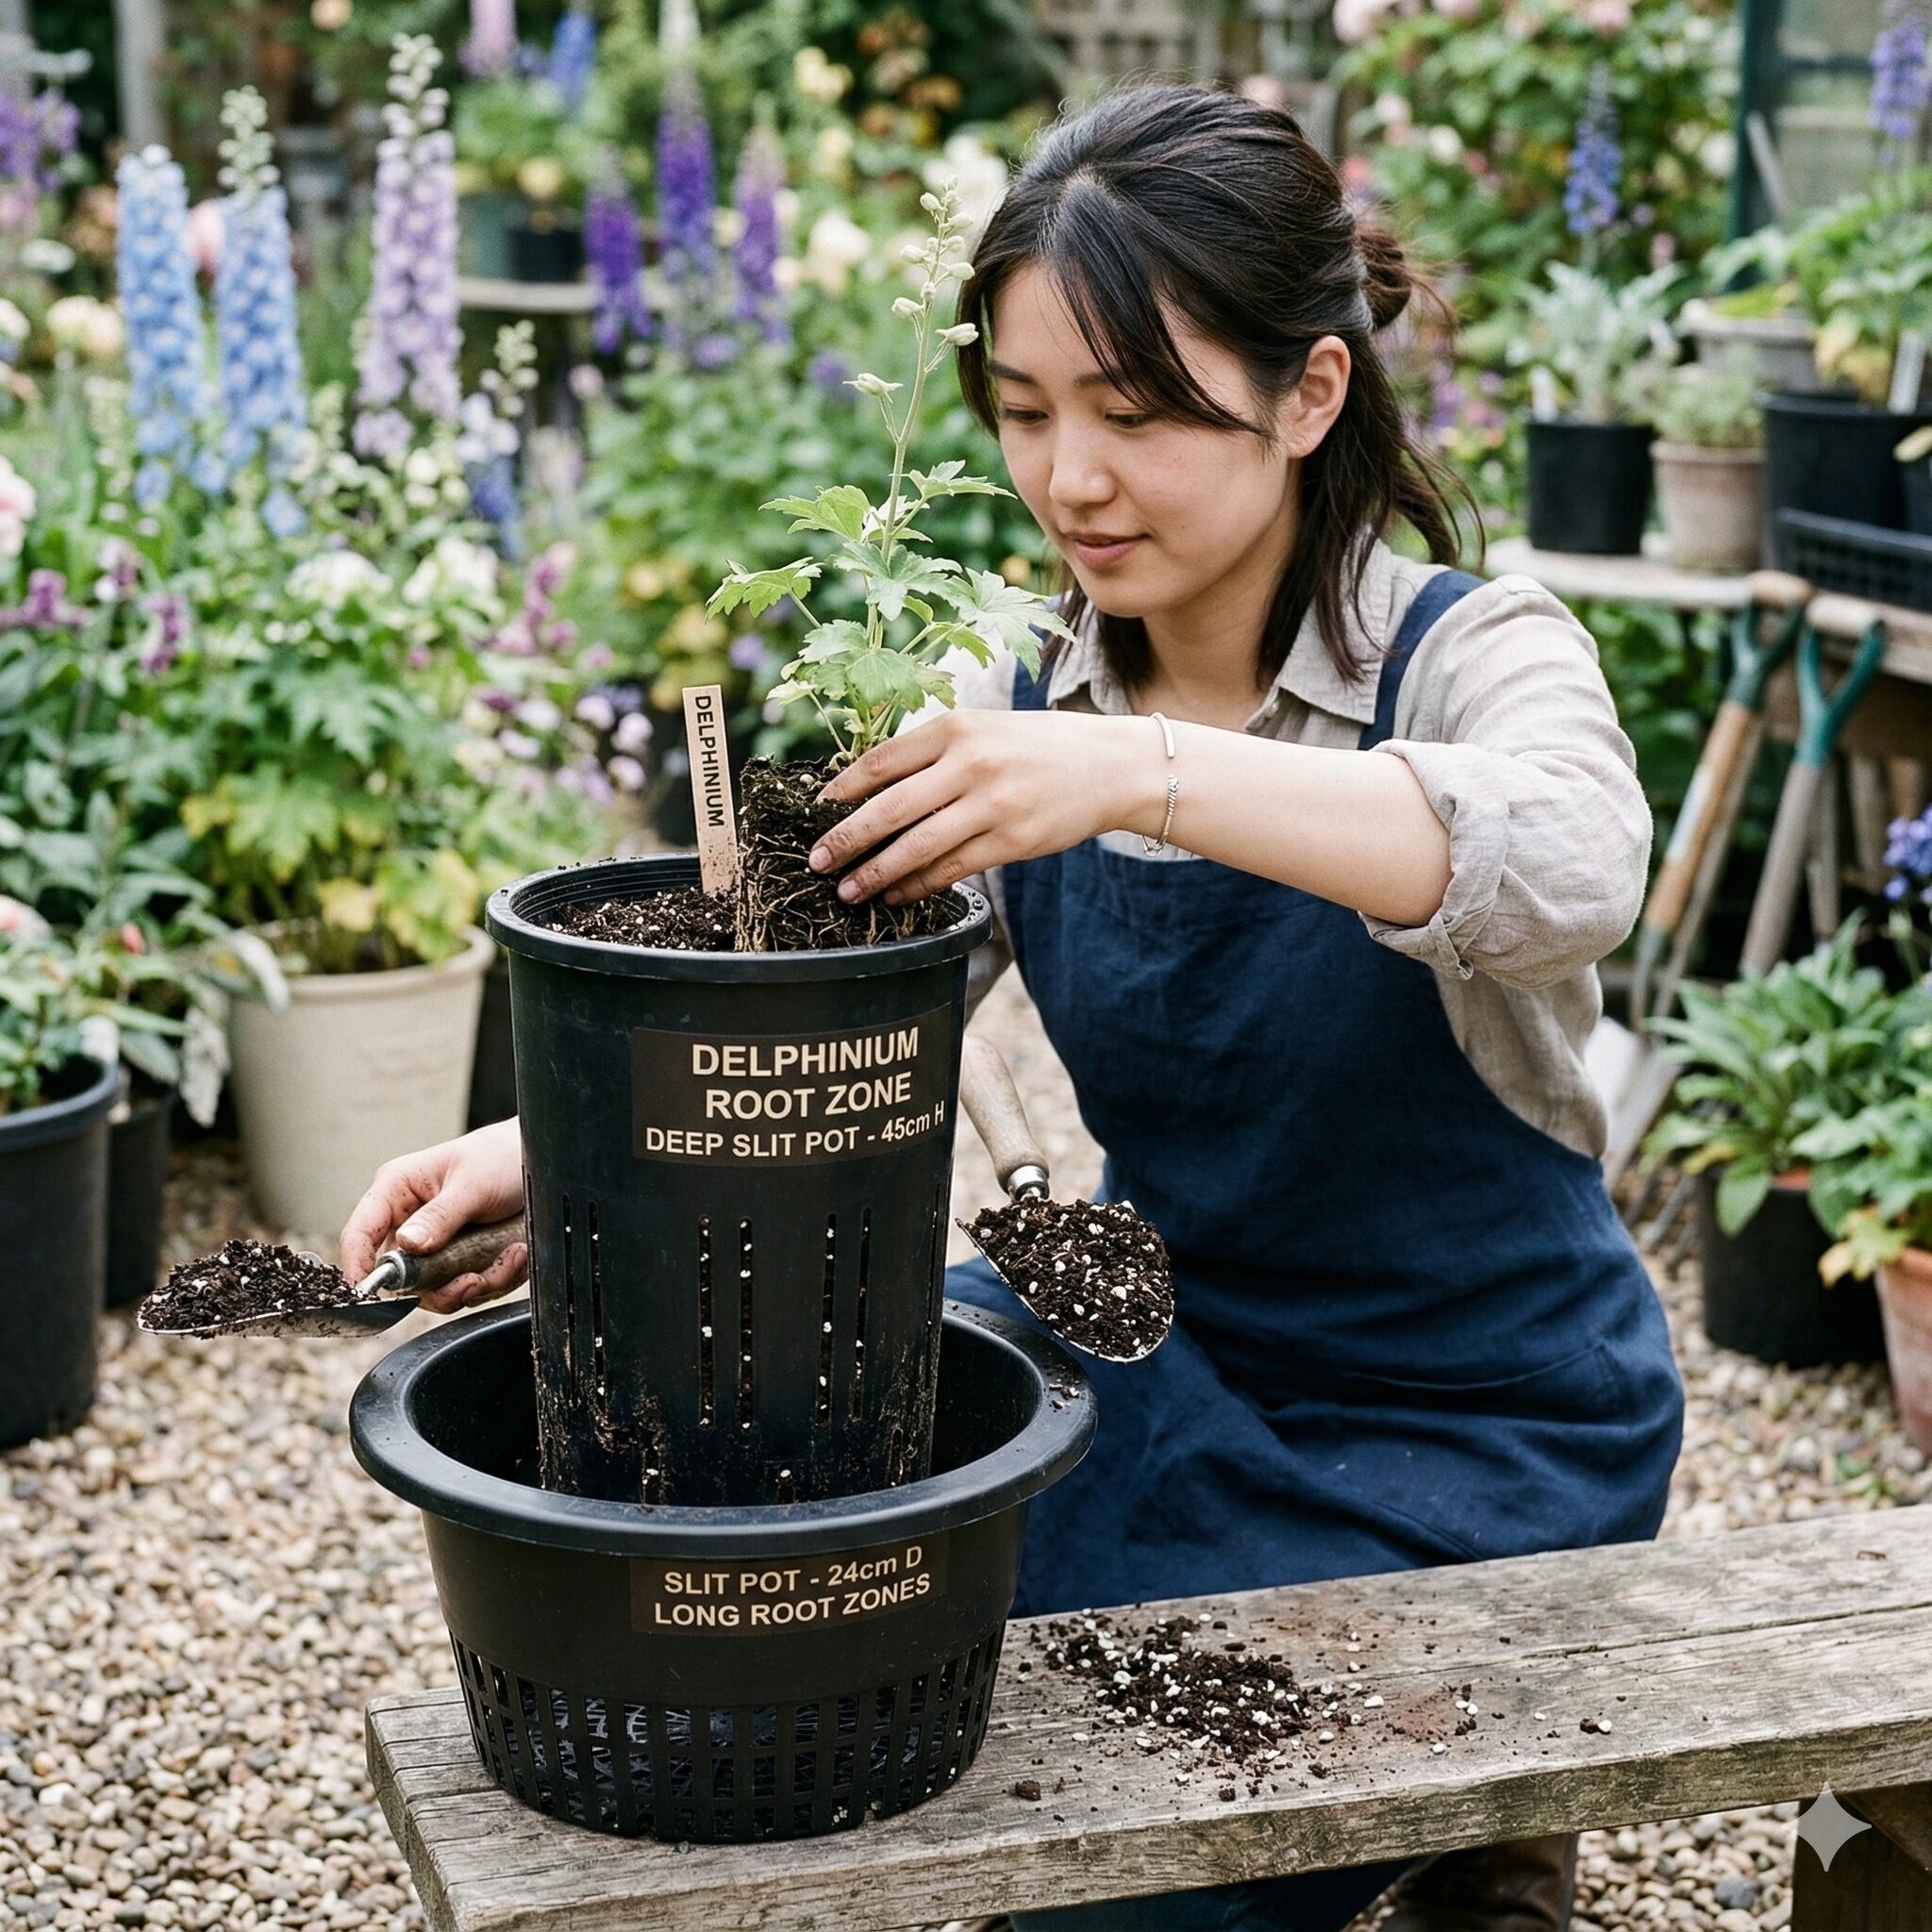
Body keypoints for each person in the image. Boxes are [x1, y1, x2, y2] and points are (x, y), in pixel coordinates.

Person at [342, 84, 1683, 1932]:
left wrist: (1133, 772)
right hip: (1159, 1343)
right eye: (1027, 407)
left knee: (1128, 1875)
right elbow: (819, 978)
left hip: (1469, 1425)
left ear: (1306, 397)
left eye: (1137, 414)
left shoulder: (1466, 655)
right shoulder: (1012, 671)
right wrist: (554, 1155)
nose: (1069, 480)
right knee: (826, 1571)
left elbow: (1576, 866)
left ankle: (1476, 1826)